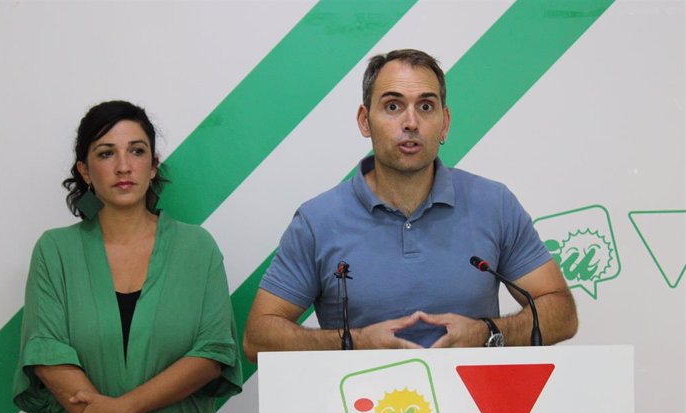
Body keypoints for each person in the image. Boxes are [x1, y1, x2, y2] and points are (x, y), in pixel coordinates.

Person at [243, 49, 577, 360]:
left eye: (426, 107)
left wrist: (487, 333)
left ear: (444, 123)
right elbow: (258, 338)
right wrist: (356, 343)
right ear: (364, 120)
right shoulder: (318, 220)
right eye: (393, 106)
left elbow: (560, 313)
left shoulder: (494, 204)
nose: (411, 123)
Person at [13, 101, 243, 413]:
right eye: (106, 154)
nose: (123, 166)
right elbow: (47, 355)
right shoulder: (55, 250)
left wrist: (120, 409)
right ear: (85, 171)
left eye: (137, 151)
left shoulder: (197, 248)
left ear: (153, 166)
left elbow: (212, 353)